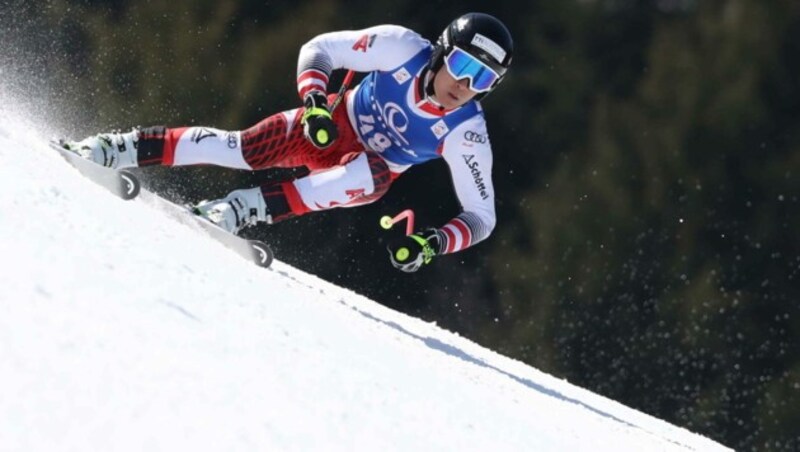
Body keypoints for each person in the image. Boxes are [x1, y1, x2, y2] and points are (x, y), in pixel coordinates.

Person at [62, 12, 514, 273]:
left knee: (372, 173)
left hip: (363, 171)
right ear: (440, 52)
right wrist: (315, 99)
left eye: (483, 79)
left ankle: (239, 209)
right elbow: (321, 49)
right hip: (331, 123)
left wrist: (434, 242)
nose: (465, 85)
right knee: (241, 150)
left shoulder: (466, 133)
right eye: (462, 65)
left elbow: (482, 216)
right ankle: (115, 148)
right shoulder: (400, 47)